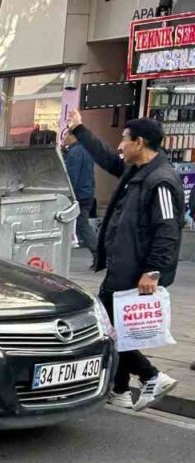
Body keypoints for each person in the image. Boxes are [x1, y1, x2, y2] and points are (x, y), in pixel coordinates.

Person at [68, 109, 180, 411]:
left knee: (107, 328)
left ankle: (151, 375)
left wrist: (153, 271)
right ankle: (118, 390)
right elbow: (106, 158)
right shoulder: (136, 172)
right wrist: (80, 130)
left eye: (124, 140)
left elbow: (168, 230)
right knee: (119, 328)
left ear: (139, 143)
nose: (120, 145)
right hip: (123, 265)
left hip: (136, 270)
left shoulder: (160, 180)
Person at [62, 130, 98, 252]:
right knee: (81, 224)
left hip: (79, 194)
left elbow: (71, 176)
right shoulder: (85, 150)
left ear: (73, 136)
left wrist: (68, 195)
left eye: (66, 135)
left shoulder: (75, 152)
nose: (64, 138)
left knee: (82, 225)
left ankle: (98, 253)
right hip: (87, 192)